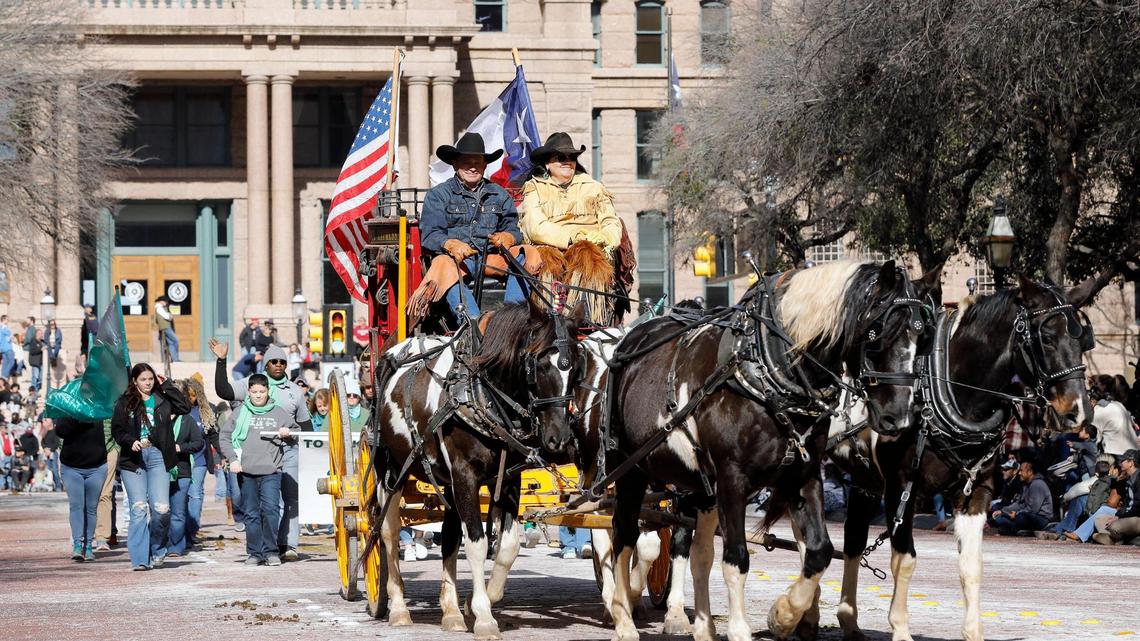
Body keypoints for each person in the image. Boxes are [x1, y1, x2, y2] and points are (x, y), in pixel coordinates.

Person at [410, 132, 538, 323]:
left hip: (491, 259)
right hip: (457, 263)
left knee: (526, 253)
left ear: (485, 165)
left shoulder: (500, 195)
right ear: (455, 164)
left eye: (477, 162)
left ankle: (508, 321)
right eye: (465, 162)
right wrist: (450, 243)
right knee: (442, 264)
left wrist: (508, 237)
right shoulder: (438, 195)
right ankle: (473, 325)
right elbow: (430, 235)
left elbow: (514, 230)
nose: (472, 167)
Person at [210, 340, 310, 561]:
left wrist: (303, 446)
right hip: (253, 456)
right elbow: (224, 390)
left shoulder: (295, 391)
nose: (278, 365)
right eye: (273, 361)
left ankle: (287, 545)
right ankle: (259, 550)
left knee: (288, 501)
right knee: (254, 507)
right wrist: (221, 361)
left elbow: (305, 426)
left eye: (282, 361)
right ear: (265, 364)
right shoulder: (250, 383)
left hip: (287, 450)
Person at [519, 131, 628, 324]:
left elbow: (611, 222)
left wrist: (604, 237)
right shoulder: (534, 188)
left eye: (572, 157)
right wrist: (571, 237)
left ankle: (586, 318)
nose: (567, 161)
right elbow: (534, 226)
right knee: (546, 262)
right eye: (561, 157)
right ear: (547, 164)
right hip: (550, 246)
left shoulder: (594, 187)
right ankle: (548, 319)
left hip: (589, 245)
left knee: (586, 256)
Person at [111, 363, 190, 570]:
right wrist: (130, 441)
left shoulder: (162, 399)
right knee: (138, 508)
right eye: (143, 379)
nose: (148, 383)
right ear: (135, 381)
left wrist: (168, 386)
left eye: (151, 379)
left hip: (158, 457)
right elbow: (117, 430)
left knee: (162, 509)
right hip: (134, 460)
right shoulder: (124, 402)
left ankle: (157, 548)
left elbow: (184, 407)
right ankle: (140, 560)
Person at [218, 374, 294, 566]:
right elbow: (225, 437)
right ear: (248, 392)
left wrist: (288, 433)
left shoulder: (279, 413)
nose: (258, 395)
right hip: (246, 470)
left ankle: (271, 552)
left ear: (268, 391)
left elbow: (296, 433)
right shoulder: (240, 412)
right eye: (254, 392)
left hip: (271, 470)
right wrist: (233, 459)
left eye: (262, 391)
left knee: (270, 510)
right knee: (251, 513)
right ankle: (254, 553)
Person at [55, 417, 110, 561]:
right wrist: (75, 417)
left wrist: (113, 448)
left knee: (91, 508)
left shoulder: (99, 404)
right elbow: (60, 431)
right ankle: (77, 545)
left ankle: (88, 546)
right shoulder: (68, 408)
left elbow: (114, 427)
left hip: (97, 466)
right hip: (71, 466)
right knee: (76, 506)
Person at [166, 381, 205, 558]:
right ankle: (160, 543)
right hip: (160, 472)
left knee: (178, 511)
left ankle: (176, 546)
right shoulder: (158, 418)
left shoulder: (187, 420)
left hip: (182, 471)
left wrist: (181, 448)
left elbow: (199, 443)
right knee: (160, 511)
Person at [182, 376, 217, 549]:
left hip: (200, 460)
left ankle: (191, 531)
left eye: (194, 395)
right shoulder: (178, 411)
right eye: (188, 395)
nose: (191, 399)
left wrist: (223, 454)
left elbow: (213, 435)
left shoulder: (204, 412)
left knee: (195, 494)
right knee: (182, 495)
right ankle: (180, 531)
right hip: (180, 460)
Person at [990, 457, 1053, 536]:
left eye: (1021, 471)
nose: (1019, 473)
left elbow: (1033, 510)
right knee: (999, 518)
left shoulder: (1037, 484)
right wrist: (1003, 511)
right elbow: (1019, 504)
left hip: (1041, 518)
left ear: (1030, 472)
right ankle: (1018, 530)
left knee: (1021, 518)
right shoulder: (1025, 485)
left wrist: (1016, 514)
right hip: (1025, 515)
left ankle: (1015, 530)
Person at [1092, 449, 1140, 545]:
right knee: (1099, 520)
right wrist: (1118, 515)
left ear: (1131, 463)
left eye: (1123, 461)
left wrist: (1119, 516)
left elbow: (1137, 507)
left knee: (1114, 526)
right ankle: (1117, 540)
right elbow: (1127, 505)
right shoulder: (1128, 479)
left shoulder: (1138, 478)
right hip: (1129, 515)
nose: (1120, 463)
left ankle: (1118, 540)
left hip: (1137, 517)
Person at [92, 417, 121, 551]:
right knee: (86, 496)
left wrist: (116, 448)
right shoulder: (79, 398)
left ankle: (102, 538)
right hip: (84, 448)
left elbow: (120, 423)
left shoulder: (111, 399)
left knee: (105, 494)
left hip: (109, 449)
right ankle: (81, 535)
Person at [1090, 377, 1138, 457]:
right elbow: (1133, 424)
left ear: (1092, 401)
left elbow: (1094, 438)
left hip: (1115, 453)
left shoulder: (1098, 411)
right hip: (1132, 450)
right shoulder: (1118, 404)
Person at [154, 296, 180, 362]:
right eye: (165, 301)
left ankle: (175, 359)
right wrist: (170, 315)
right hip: (165, 327)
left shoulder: (160, 308)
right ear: (161, 301)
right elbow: (167, 316)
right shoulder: (159, 308)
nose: (166, 303)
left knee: (171, 343)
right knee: (175, 340)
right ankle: (175, 359)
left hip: (165, 327)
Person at [22, 317, 41, 393]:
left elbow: (29, 338)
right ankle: (28, 377)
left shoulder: (31, 328)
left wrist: (24, 342)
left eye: (28, 320)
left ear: (32, 321)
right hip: (27, 347)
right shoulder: (31, 328)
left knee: (27, 363)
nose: (27, 321)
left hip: (27, 348)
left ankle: (29, 377)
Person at [0, 314, 15, 381]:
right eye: (7, 319)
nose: (8, 321)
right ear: (3, 320)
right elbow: (10, 338)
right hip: (8, 347)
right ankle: (4, 376)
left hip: (2, 348)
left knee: (5, 363)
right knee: (11, 362)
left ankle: (3, 377)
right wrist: (11, 337)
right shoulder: (5, 328)